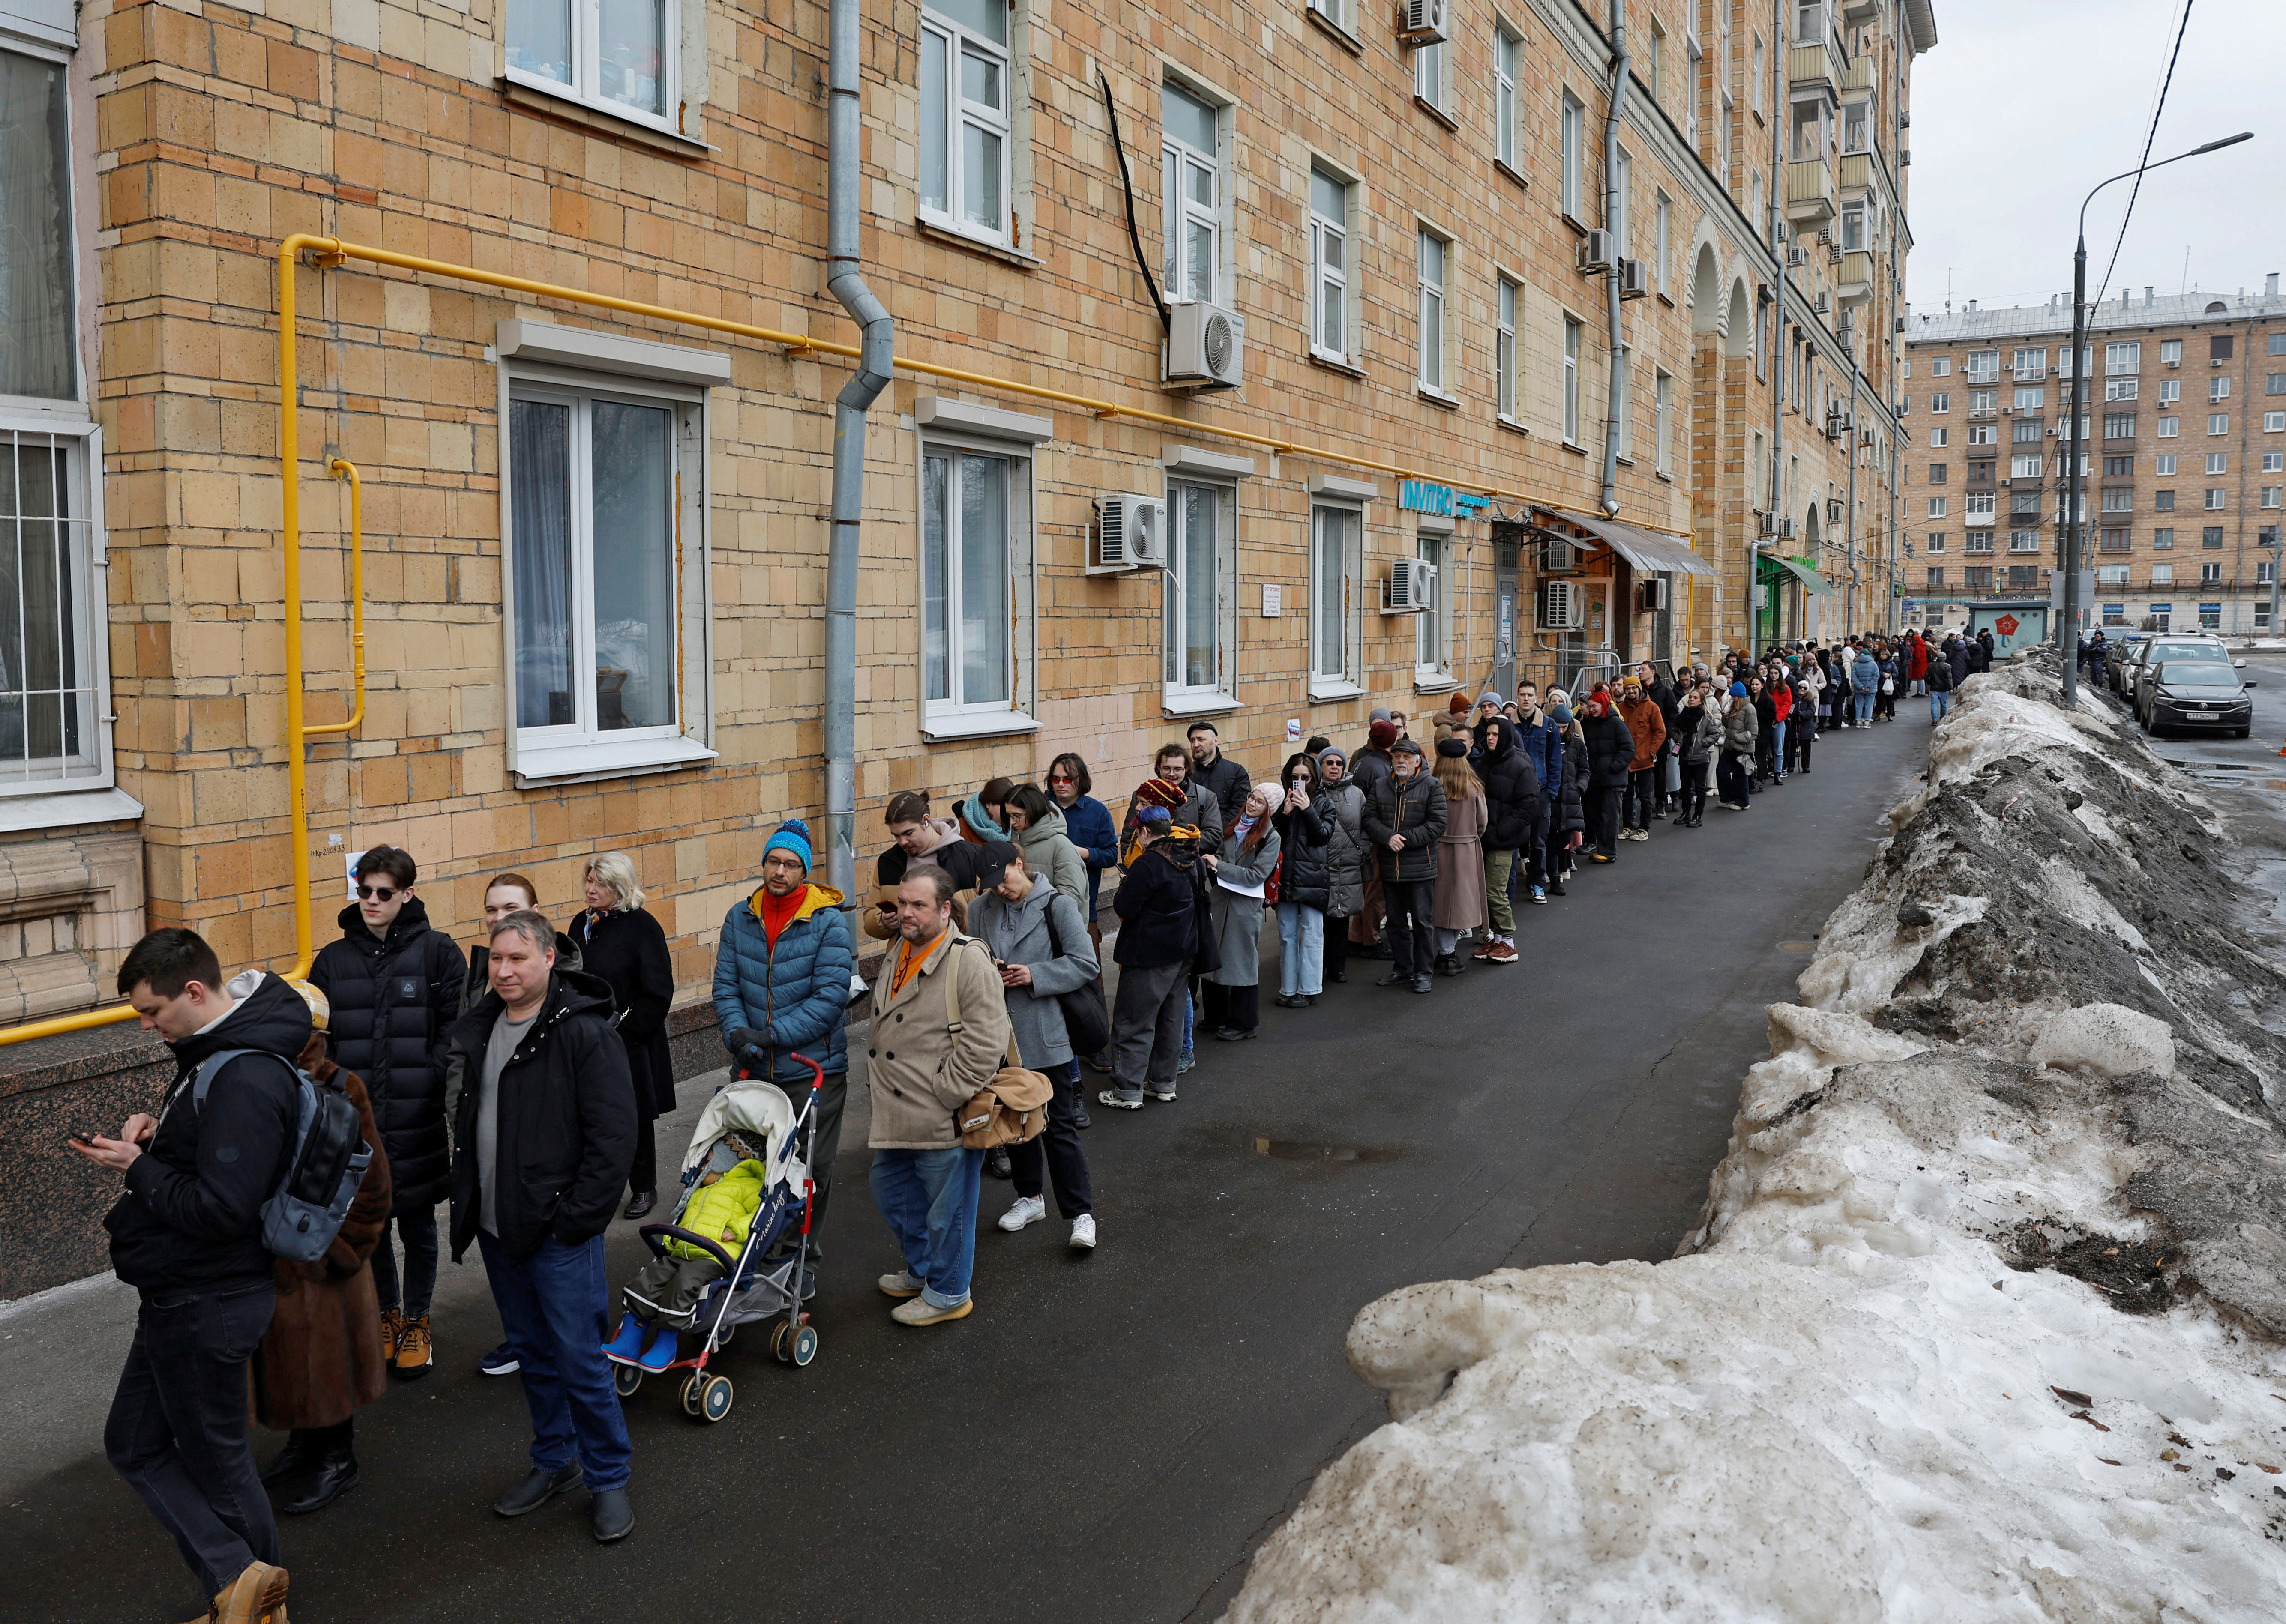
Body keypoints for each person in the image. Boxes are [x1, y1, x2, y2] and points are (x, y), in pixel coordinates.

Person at [78, 930, 307, 1624]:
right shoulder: (210, 1055)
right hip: (182, 1293)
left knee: (219, 1461)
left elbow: (223, 1208)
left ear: (196, 993)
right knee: (134, 1442)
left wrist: (136, 1167)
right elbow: (214, 1159)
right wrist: (160, 1137)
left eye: (152, 1012)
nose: (148, 1027)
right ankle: (238, 1582)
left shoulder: (244, 1073)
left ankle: (258, 1605)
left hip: (210, 1297)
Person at [447, 909, 637, 1542]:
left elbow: (613, 1139)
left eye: (517, 959)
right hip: (501, 1231)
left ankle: (608, 1477)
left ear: (550, 958)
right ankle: (555, 1461)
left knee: (579, 1358)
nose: (503, 970)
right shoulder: (483, 1026)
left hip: (556, 1234)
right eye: (496, 958)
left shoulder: (582, 1033)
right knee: (532, 1353)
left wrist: (573, 1222)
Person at [308, 844, 466, 1382]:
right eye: (364, 890)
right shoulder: (332, 959)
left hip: (415, 1113)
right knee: (372, 1225)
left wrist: (430, 1077)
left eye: (384, 893)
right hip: (356, 1118)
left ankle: (418, 1320)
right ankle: (386, 1315)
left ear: (407, 894)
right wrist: (334, 1091)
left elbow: (455, 1027)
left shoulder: (439, 953)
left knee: (418, 1222)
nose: (371, 901)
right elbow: (317, 1038)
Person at [252, 985, 394, 1519]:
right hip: (282, 1256)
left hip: (326, 1257)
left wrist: (344, 1249)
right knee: (292, 1359)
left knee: (326, 1362)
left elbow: (373, 1180)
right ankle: (304, 1444)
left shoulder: (341, 1086)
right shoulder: (259, 1079)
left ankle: (337, 1458)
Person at [710, 818, 854, 1289]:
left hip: (811, 1069)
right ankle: (752, 1247)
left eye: (791, 864)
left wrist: (771, 1034)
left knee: (810, 1169)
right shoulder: (741, 916)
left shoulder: (828, 921)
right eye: (773, 860)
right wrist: (737, 1034)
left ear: (804, 872)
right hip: (753, 1065)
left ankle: (800, 1259)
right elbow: (726, 984)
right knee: (753, 1163)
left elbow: (830, 997)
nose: (780, 871)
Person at [866, 866, 1013, 1323]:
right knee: (892, 1191)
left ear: (946, 909)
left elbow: (987, 1042)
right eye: (902, 903)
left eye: (918, 905)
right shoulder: (901, 948)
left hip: (940, 1114)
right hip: (896, 1111)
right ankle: (924, 1269)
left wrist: (947, 1094)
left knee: (947, 1213)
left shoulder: (968, 959)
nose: (905, 913)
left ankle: (949, 1292)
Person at [968, 845, 1099, 1250]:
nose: (1000, 891)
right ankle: (1029, 1197)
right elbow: (972, 959)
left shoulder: (1056, 905)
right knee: (1013, 1121)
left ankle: (1080, 1214)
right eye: (990, 885)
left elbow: (1086, 963)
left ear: (1019, 865)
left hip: (1046, 1030)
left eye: (1004, 880)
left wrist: (1033, 973)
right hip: (998, 1034)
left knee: (1057, 1126)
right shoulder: (978, 909)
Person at [568, 852, 675, 1220]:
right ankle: (597, 1187)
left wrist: (626, 1033)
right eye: (589, 880)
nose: (590, 888)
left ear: (619, 887)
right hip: (586, 1040)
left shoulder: (642, 926)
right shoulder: (579, 925)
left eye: (599, 883)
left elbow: (658, 990)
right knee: (589, 1116)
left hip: (630, 1040)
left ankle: (644, 1186)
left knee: (633, 1117)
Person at [1100, 808, 1204, 1109]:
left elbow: (1125, 907)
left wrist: (1125, 883)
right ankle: (1163, 1083)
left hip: (1147, 954)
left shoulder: (1147, 864)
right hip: (1182, 952)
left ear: (1145, 832)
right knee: (1171, 1019)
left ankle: (1127, 1091)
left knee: (1133, 1022)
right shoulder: (1190, 857)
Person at [1361, 738, 1446, 993]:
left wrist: (1404, 840)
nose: (1401, 761)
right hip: (1390, 866)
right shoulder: (1380, 786)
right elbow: (1369, 818)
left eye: (1407, 758)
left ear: (1418, 761)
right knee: (1396, 923)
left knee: (1422, 922)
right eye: (1397, 756)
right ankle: (1402, 970)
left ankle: (1423, 973)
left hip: (1420, 867)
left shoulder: (1432, 786)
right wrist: (1387, 837)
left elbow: (1438, 824)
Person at [1202, 780, 1282, 1039]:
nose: (1252, 804)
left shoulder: (1271, 837)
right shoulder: (1235, 826)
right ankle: (1216, 1016)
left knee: (1241, 963)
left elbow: (1257, 875)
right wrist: (1214, 864)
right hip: (1220, 900)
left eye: (1260, 802)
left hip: (1244, 906)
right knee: (1213, 958)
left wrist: (1221, 867)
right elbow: (1218, 854)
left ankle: (1244, 1023)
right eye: (1252, 797)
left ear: (1270, 809)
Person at [871, 791, 987, 944]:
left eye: (908, 833)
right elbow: (869, 920)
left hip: (959, 957)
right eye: (896, 836)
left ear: (926, 821)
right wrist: (884, 922)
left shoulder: (971, 856)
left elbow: (991, 916)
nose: (902, 842)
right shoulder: (888, 862)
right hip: (906, 960)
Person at [1468, 715, 1536, 964]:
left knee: (1495, 891)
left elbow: (1528, 806)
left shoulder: (1521, 766)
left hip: (1503, 840)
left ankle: (1508, 942)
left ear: (1506, 736)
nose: (1491, 738)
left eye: (1496, 734)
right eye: (1488, 734)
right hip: (1482, 838)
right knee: (1483, 892)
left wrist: (1500, 831)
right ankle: (1495, 939)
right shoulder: (1484, 762)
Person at [1272, 754, 1331, 1007]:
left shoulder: (1324, 803)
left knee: (1312, 933)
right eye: (1295, 778)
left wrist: (1307, 810)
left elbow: (1323, 837)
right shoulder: (1281, 803)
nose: (1300, 783)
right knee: (1287, 935)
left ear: (1314, 778)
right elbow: (1271, 837)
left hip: (1313, 876)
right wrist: (1285, 814)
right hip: (1285, 876)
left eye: (1305, 778)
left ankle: (1308, 988)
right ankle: (1288, 987)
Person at [1429, 736, 1486, 977]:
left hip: (1437, 848)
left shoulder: (1432, 786)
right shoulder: (1474, 787)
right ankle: (1449, 953)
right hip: (1465, 849)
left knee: (1440, 903)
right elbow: (1482, 823)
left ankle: (1445, 952)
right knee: (1460, 904)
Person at [1312, 747, 1367, 987]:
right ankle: (1319, 966)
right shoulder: (1313, 793)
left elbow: (1366, 826)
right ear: (1321, 766)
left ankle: (1338, 967)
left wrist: (1365, 850)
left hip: (1348, 864)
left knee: (1342, 916)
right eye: (1329, 763)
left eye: (1339, 763)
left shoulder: (1357, 794)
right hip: (1322, 865)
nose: (1334, 767)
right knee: (1321, 918)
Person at [1121, 740, 1224, 859]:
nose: (1172, 774)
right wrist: (1130, 867)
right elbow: (1128, 837)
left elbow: (1214, 837)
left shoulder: (1206, 797)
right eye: (1167, 768)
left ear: (1186, 769)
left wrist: (1176, 843)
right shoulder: (1142, 796)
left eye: (1178, 769)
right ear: (1159, 768)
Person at [1513, 685, 1562, 907]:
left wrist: (1552, 791)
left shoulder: (1548, 726)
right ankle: (1508, 888)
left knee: (1539, 842)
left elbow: (1555, 761)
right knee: (1512, 841)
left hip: (1541, 790)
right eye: (1522, 695)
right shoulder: (1508, 724)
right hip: (1514, 792)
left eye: (1530, 695)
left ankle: (1537, 884)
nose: (1526, 699)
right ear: (1517, 697)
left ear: (1536, 698)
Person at [1001, 783, 1088, 908]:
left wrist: (1029, 904)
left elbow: (1070, 897)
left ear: (1033, 811)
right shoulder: (1011, 845)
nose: (1012, 822)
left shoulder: (1061, 847)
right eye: (1009, 816)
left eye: (1017, 816)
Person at [1579, 692, 1636, 864]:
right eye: (1590, 706)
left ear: (1603, 706)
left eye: (1594, 706)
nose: (1591, 709)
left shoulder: (1617, 724)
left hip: (1613, 780)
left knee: (1609, 817)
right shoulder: (1587, 724)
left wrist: (1613, 767)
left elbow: (1628, 749)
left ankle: (1608, 852)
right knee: (1594, 815)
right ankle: (1597, 846)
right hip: (1594, 780)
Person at [1615, 676, 1667, 840]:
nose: (1631, 692)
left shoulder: (1651, 707)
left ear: (1639, 689)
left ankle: (1644, 828)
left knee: (1645, 796)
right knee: (1627, 796)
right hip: (1625, 761)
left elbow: (1661, 731)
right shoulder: (1620, 708)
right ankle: (1628, 827)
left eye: (1634, 689)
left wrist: (1651, 752)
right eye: (1628, 689)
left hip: (1645, 760)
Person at [1187, 720, 1253, 829]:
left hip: (1224, 836)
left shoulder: (1236, 772)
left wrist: (1215, 831)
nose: (1196, 745)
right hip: (1190, 836)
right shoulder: (1186, 773)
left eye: (1201, 739)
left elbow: (1240, 808)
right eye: (1192, 740)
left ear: (1216, 741)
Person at [1672, 686, 1720, 826]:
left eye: (1695, 698)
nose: (1692, 700)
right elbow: (1674, 730)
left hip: (1700, 757)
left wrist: (1702, 743)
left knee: (1700, 788)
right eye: (1691, 697)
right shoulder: (1683, 715)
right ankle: (1686, 813)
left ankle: (1697, 816)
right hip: (1685, 756)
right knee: (1686, 788)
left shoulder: (1707, 717)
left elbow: (1715, 734)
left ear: (1701, 701)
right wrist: (1679, 740)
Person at [1719, 683, 1759, 810]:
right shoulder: (1735, 707)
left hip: (1742, 749)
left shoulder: (1749, 709)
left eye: (1734, 696)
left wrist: (1737, 737)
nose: (1732, 699)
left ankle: (1743, 802)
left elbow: (1753, 733)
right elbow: (1730, 727)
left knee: (1740, 775)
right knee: (1721, 771)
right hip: (1730, 747)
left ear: (1739, 697)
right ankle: (1728, 798)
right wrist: (1726, 719)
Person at [1849, 641, 1881, 727]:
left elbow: (1854, 677)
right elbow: (1876, 676)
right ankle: (1867, 721)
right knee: (1869, 705)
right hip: (1871, 689)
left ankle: (1858, 721)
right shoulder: (1874, 664)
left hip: (1859, 689)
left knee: (1859, 705)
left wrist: (1861, 687)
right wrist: (1869, 686)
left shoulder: (1856, 665)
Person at [1927, 635, 1958, 721]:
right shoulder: (1947, 667)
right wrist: (1951, 688)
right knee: (1944, 705)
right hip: (1944, 688)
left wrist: (1931, 683)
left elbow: (1926, 677)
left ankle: (1934, 720)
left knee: (1934, 704)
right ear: (1945, 659)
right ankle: (1942, 719)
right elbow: (1949, 678)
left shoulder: (1931, 665)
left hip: (1934, 687)